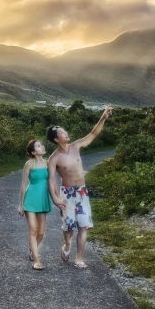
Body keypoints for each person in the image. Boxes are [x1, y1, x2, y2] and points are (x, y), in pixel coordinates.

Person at [47, 105, 113, 269]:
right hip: (67, 195)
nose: (65, 133)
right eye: (61, 132)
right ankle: (67, 244)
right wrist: (55, 198)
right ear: (56, 139)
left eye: (64, 130)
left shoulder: (76, 146)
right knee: (69, 229)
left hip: (82, 192)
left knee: (83, 226)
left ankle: (78, 258)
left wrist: (103, 117)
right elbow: (50, 180)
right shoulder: (54, 158)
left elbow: (93, 134)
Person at [18, 139, 52, 270]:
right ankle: (36, 260)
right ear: (33, 151)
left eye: (41, 144)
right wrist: (21, 205)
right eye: (38, 146)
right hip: (30, 199)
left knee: (41, 232)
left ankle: (33, 250)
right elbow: (23, 184)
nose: (42, 146)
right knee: (32, 230)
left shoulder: (47, 163)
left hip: (42, 199)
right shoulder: (29, 164)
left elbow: (51, 182)